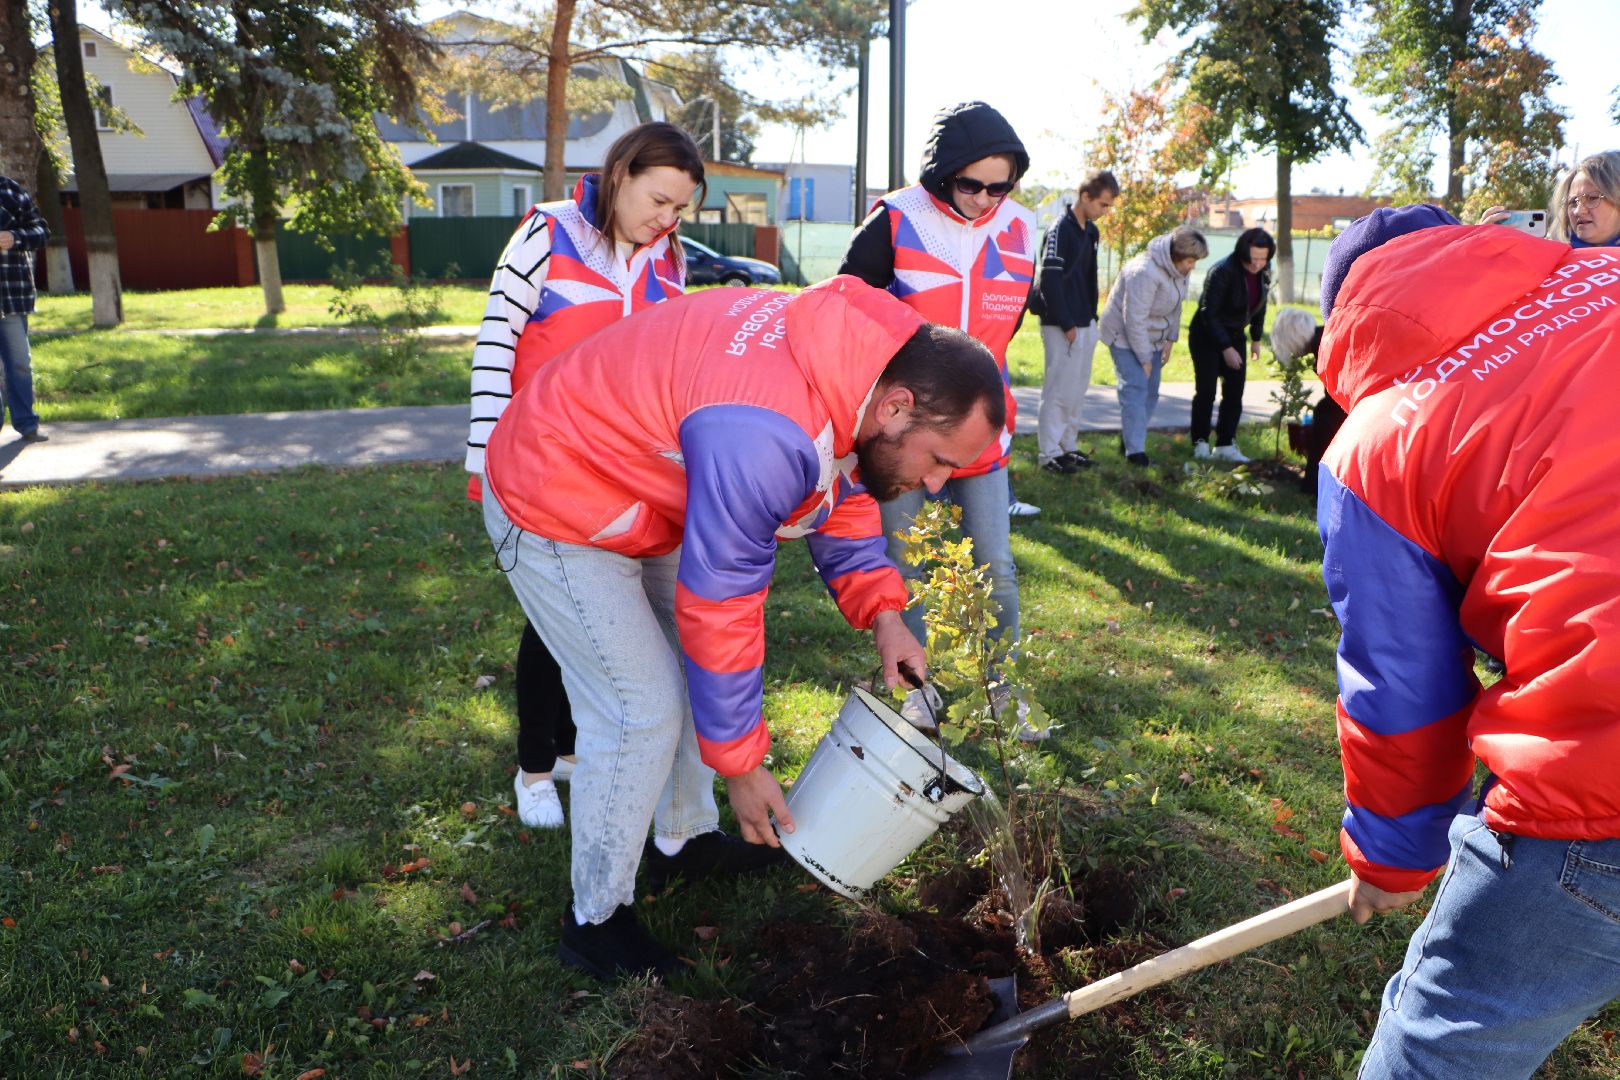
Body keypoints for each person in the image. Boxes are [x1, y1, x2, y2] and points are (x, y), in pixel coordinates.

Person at [480, 277, 1005, 980]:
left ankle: (681, 841)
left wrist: (885, 615)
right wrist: (743, 767)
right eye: (940, 461)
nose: (940, 484)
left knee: (693, 678)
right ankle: (595, 920)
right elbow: (721, 601)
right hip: (552, 489)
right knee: (639, 708)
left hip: (640, 482)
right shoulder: (767, 430)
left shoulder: (859, 367)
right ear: (897, 406)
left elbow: (841, 488)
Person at [1315, 204, 1620, 1078]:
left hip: (1598, 779)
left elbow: (1403, 684)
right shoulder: (1607, 279)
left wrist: (1394, 853)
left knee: (1442, 1045)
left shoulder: (1379, 443)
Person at [465, 122, 705, 830]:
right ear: (622, 174)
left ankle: (572, 749)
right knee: (550, 626)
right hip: (542, 476)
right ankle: (534, 768)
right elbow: (493, 346)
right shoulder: (548, 233)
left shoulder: (671, 262)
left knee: (609, 624)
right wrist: (485, 461)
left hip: (628, 484)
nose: (666, 220)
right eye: (658, 200)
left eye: (680, 210)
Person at [836, 100, 1038, 731]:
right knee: (905, 563)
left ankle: (1003, 688)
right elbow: (844, 313)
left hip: (981, 435)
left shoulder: (1024, 228)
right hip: (905, 433)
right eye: (970, 183)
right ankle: (917, 689)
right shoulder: (895, 221)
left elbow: (1012, 327)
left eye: (999, 186)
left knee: (995, 567)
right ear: (941, 173)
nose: (984, 199)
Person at [1030, 169, 1119, 474]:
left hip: (1085, 321)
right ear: (1085, 197)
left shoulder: (1091, 232)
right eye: (1103, 205)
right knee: (1058, 391)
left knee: (1077, 390)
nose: (1105, 212)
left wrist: (1089, 318)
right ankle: (1049, 453)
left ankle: (1069, 446)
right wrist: (1066, 322)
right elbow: (1051, 279)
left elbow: (1089, 278)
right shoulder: (1059, 229)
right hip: (1060, 324)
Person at [1099, 225, 1206, 466]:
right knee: (1135, 389)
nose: (1192, 267)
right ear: (1176, 256)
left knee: (1151, 392)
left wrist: (1170, 339)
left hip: (1155, 336)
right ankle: (1135, 454)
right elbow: (1133, 318)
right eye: (1190, 261)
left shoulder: (1180, 271)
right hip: (1124, 336)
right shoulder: (1144, 271)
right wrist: (1145, 358)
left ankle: (1130, 440)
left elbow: (1177, 306)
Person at [1188, 227, 1274, 463]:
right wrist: (1225, 348)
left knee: (1235, 391)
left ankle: (1225, 444)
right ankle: (1200, 442)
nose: (1258, 264)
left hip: (1236, 333)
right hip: (1207, 334)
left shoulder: (1263, 272)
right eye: (1254, 258)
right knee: (1206, 390)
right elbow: (1208, 312)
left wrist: (1256, 339)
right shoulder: (1223, 271)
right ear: (1243, 252)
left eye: (1263, 259)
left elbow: (1260, 306)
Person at [1267, 306, 1344, 497]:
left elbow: (1337, 394)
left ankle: (1314, 486)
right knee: (1323, 413)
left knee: (1324, 419)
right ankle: (1314, 483)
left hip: (1354, 405)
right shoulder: (1324, 335)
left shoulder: (1322, 344)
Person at [1481, 150, 1620, 248]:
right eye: (1573, 202)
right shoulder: (1547, 258)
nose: (1579, 211)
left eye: (1592, 198)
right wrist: (1482, 247)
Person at [0, 173, 50, 445]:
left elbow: (42, 232)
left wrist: (15, 237)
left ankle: (27, 424)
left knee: (19, 364)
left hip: (12, 297)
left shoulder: (12, 191)